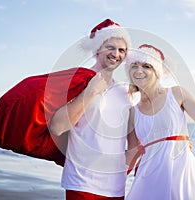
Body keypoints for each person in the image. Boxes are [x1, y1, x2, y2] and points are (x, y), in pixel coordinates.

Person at [125, 44, 195, 200]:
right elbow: (130, 156)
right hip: (147, 178)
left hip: (181, 174)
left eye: (146, 66)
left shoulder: (177, 93)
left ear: (157, 72)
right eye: (134, 66)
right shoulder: (132, 111)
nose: (139, 70)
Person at [49, 19, 132, 200]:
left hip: (116, 187)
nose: (116, 54)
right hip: (82, 183)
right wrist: (90, 92)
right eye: (110, 47)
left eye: (122, 50)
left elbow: (134, 137)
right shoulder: (78, 82)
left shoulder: (124, 92)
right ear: (97, 49)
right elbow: (57, 127)